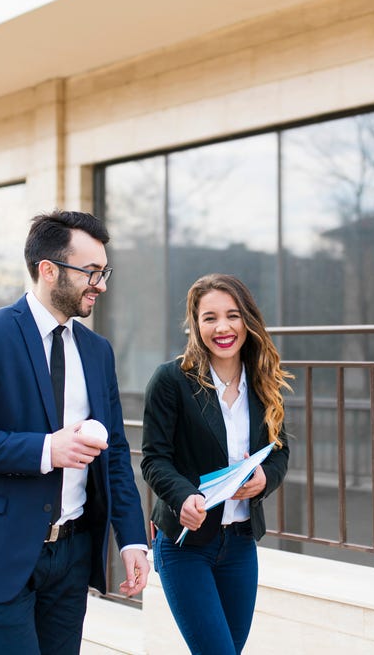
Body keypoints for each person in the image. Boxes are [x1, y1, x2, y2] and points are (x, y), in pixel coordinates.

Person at [0, 210, 149, 655]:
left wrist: (132, 539)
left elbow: (116, 452)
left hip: (72, 554)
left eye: (104, 272)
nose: (101, 285)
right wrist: (46, 449)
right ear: (48, 270)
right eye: (90, 272)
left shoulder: (98, 351)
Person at [141, 273, 292, 655]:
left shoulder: (262, 381)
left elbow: (280, 451)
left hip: (240, 545)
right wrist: (183, 496)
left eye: (232, 315)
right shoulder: (171, 380)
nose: (222, 327)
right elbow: (155, 458)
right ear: (196, 324)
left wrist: (264, 478)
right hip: (186, 545)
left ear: (247, 320)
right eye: (210, 318)